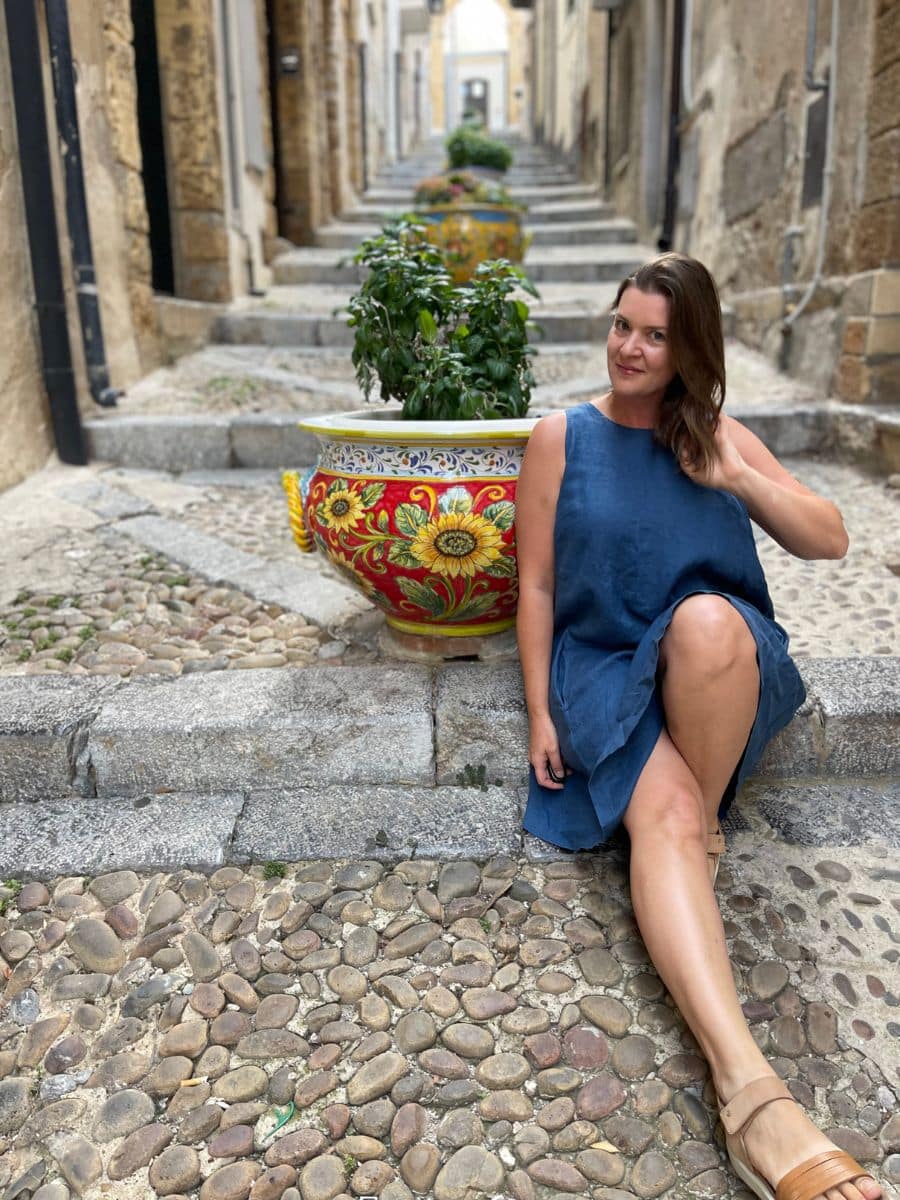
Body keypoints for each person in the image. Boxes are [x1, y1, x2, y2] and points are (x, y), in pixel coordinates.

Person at [515, 252, 881, 1200]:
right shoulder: (562, 438)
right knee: (668, 823)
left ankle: (696, 806)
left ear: (690, 350)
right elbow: (538, 586)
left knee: (708, 620)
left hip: (708, 672)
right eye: (621, 324)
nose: (628, 347)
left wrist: (734, 476)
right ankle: (752, 1096)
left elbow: (829, 537)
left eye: (654, 335)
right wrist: (535, 714)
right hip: (602, 667)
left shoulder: (715, 434)